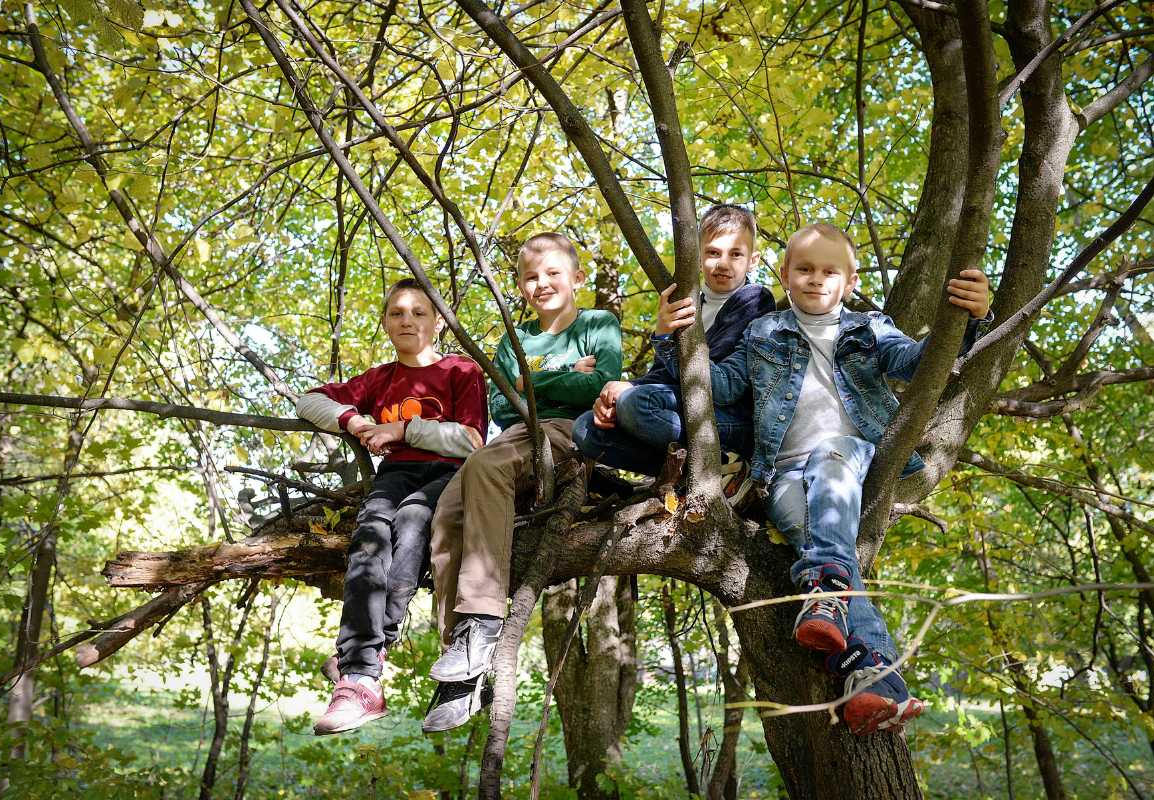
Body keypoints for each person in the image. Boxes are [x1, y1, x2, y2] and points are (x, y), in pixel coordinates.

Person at [653, 222, 992, 735]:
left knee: (831, 461)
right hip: (785, 472)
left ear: (851, 280)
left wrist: (971, 319)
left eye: (829, 271)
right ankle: (874, 681)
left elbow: (921, 361)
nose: (816, 279)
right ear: (785, 275)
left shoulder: (869, 328)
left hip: (850, 459)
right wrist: (673, 337)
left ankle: (826, 590)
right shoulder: (761, 332)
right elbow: (718, 387)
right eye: (805, 269)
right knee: (818, 537)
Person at [423, 232, 623, 733]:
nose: (543, 283)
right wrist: (559, 377)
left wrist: (531, 383)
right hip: (516, 435)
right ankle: (460, 668)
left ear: (576, 278)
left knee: (486, 467)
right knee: (447, 511)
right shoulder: (513, 342)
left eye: (554, 273)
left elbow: (603, 384)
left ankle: (484, 622)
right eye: (531, 277)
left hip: (572, 432)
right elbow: (503, 403)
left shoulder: (598, 324)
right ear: (518, 286)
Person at [296, 277, 488, 735]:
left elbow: (472, 440)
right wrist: (355, 419)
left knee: (414, 521)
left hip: (450, 475)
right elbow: (309, 401)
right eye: (397, 313)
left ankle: (363, 656)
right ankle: (360, 677)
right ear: (385, 323)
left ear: (439, 321)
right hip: (395, 474)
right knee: (370, 536)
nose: (408, 320)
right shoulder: (378, 379)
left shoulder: (462, 371)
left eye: (419, 312)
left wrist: (403, 430)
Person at [572, 204, 775, 484]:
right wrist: (627, 385)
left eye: (736, 254)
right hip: (682, 410)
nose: (723, 263)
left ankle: (729, 463)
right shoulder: (690, 302)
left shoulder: (754, 300)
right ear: (697, 255)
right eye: (713, 252)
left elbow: (718, 384)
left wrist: (665, 340)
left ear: (753, 260)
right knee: (585, 428)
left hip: (728, 419)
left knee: (636, 405)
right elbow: (665, 375)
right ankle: (686, 472)